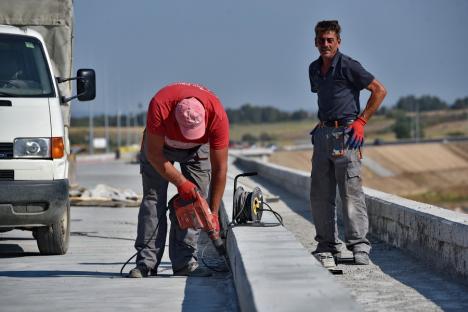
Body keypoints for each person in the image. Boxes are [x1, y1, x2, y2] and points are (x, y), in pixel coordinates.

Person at [128, 82, 229, 278]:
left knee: (195, 201)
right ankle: (146, 263)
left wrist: (213, 212)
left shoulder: (217, 115)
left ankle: (184, 263)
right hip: (160, 147)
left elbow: (220, 169)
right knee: (153, 199)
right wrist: (181, 182)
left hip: (197, 151)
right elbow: (155, 156)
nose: (187, 138)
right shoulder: (160, 105)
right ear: (174, 116)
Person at [308, 20, 387, 266]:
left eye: (330, 40)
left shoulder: (348, 65)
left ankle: (359, 247)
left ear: (338, 42)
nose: (325, 44)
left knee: (351, 193)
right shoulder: (313, 68)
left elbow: (379, 90)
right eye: (321, 40)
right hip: (322, 135)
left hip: (347, 135)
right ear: (315, 42)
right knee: (320, 195)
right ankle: (327, 245)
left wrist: (361, 122)